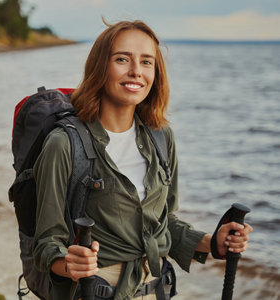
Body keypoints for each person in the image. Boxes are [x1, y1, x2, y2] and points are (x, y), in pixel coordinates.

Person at [32, 20, 253, 300]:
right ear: (101, 66)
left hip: (157, 289)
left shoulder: (161, 137)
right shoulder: (65, 144)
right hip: (93, 291)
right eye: (122, 59)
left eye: (147, 62)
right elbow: (46, 243)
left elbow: (164, 222)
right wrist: (70, 264)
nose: (136, 71)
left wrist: (212, 243)